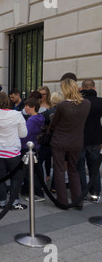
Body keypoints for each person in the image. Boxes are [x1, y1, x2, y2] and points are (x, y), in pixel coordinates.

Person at [49, 78, 91, 210]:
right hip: (76, 141)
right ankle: (78, 201)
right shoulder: (87, 104)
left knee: (60, 170)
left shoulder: (62, 106)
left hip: (60, 141)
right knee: (74, 170)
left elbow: (53, 124)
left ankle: (62, 201)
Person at [0, 92, 28, 210]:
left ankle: (1, 201)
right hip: (12, 151)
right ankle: (14, 202)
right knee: (15, 178)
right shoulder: (17, 114)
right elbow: (23, 134)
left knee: (0, 177)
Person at [78, 79, 102, 203]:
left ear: (82, 88)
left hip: (80, 139)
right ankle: (95, 193)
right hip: (95, 138)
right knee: (94, 167)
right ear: (94, 88)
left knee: (80, 167)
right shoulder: (100, 102)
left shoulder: (79, 102)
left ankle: (82, 192)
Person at [20, 98, 45, 201]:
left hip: (28, 147)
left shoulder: (31, 120)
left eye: (27, 106)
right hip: (36, 146)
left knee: (29, 172)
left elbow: (26, 134)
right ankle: (26, 190)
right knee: (33, 171)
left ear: (33, 107)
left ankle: (38, 193)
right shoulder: (40, 117)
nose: (25, 108)